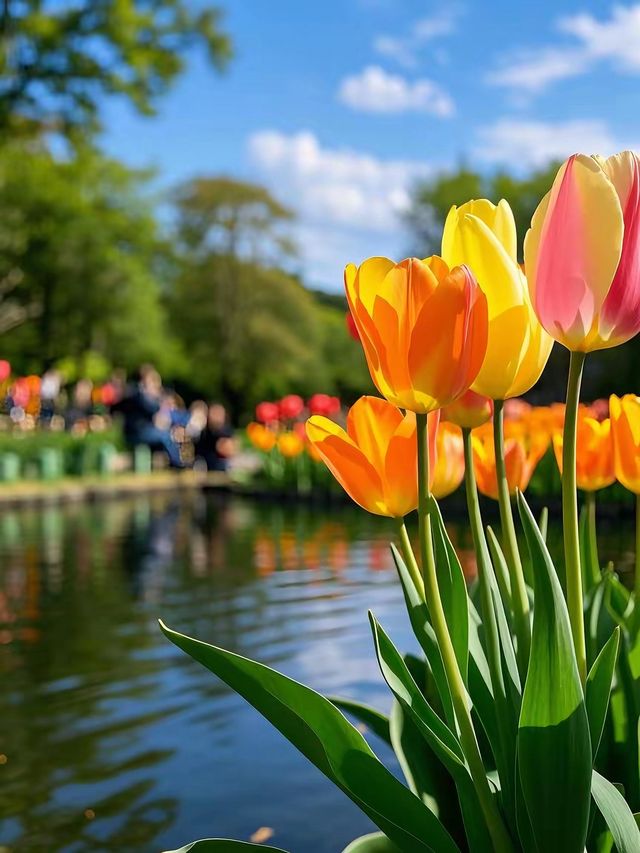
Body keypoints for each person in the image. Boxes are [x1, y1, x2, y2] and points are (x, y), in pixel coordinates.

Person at [112, 366, 183, 468]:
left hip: (142, 431)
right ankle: (177, 464)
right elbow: (151, 409)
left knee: (167, 434)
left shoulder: (138, 394)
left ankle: (170, 463)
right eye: (154, 382)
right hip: (136, 433)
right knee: (165, 436)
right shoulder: (138, 395)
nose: (157, 386)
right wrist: (156, 398)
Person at [194, 403, 235, 472]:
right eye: (214, 414)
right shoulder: (205, 433)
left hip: (222, 464)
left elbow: (228, 451)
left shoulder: (226, 432)